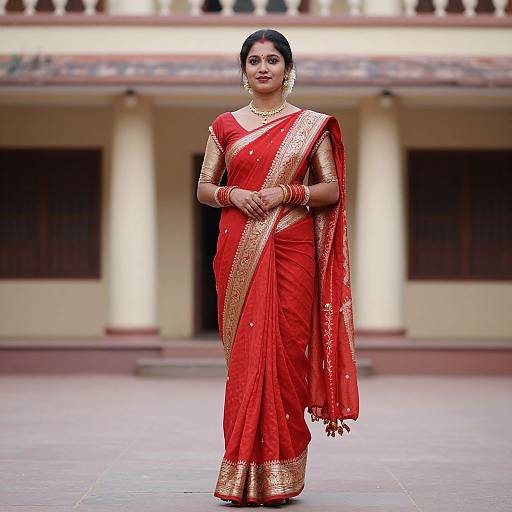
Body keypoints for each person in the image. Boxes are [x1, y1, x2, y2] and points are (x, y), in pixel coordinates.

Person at [196, 28, 360, 507]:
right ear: (243, 71)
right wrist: (235, 194)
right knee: (246, 359)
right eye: (254, 60)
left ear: (288, 69)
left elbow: (329, 189)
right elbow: (204, 187)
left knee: (286, 353)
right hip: (237, 244)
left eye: (273, 59)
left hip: (291, 245)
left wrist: (288, 193)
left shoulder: (311, 125)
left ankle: (282, 476)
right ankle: (242, 473)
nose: (263, 67)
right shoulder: (225, 125)